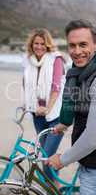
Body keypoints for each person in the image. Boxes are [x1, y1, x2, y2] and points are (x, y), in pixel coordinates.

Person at [45, 20, 96, 194]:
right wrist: (64, 124)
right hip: (92, 162)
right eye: (72, 45)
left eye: (83, 45)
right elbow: (84, 107)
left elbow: (92, 138)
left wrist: (62, 159)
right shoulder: (83, 72)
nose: (77, 52)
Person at [22, 28, 65, 181]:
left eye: (42, 44)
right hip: (37, 115)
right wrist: (26, 104)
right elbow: (26, 84)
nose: (39, 47)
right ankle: (55, 188)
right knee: (46, 157)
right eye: (36, 43)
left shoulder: (56, 59)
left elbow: (56, 87)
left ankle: (54, 188)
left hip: (55, 116)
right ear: (31, 44)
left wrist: (48, 108)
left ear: (47, 45)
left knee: (46, 158)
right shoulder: (28, 59)